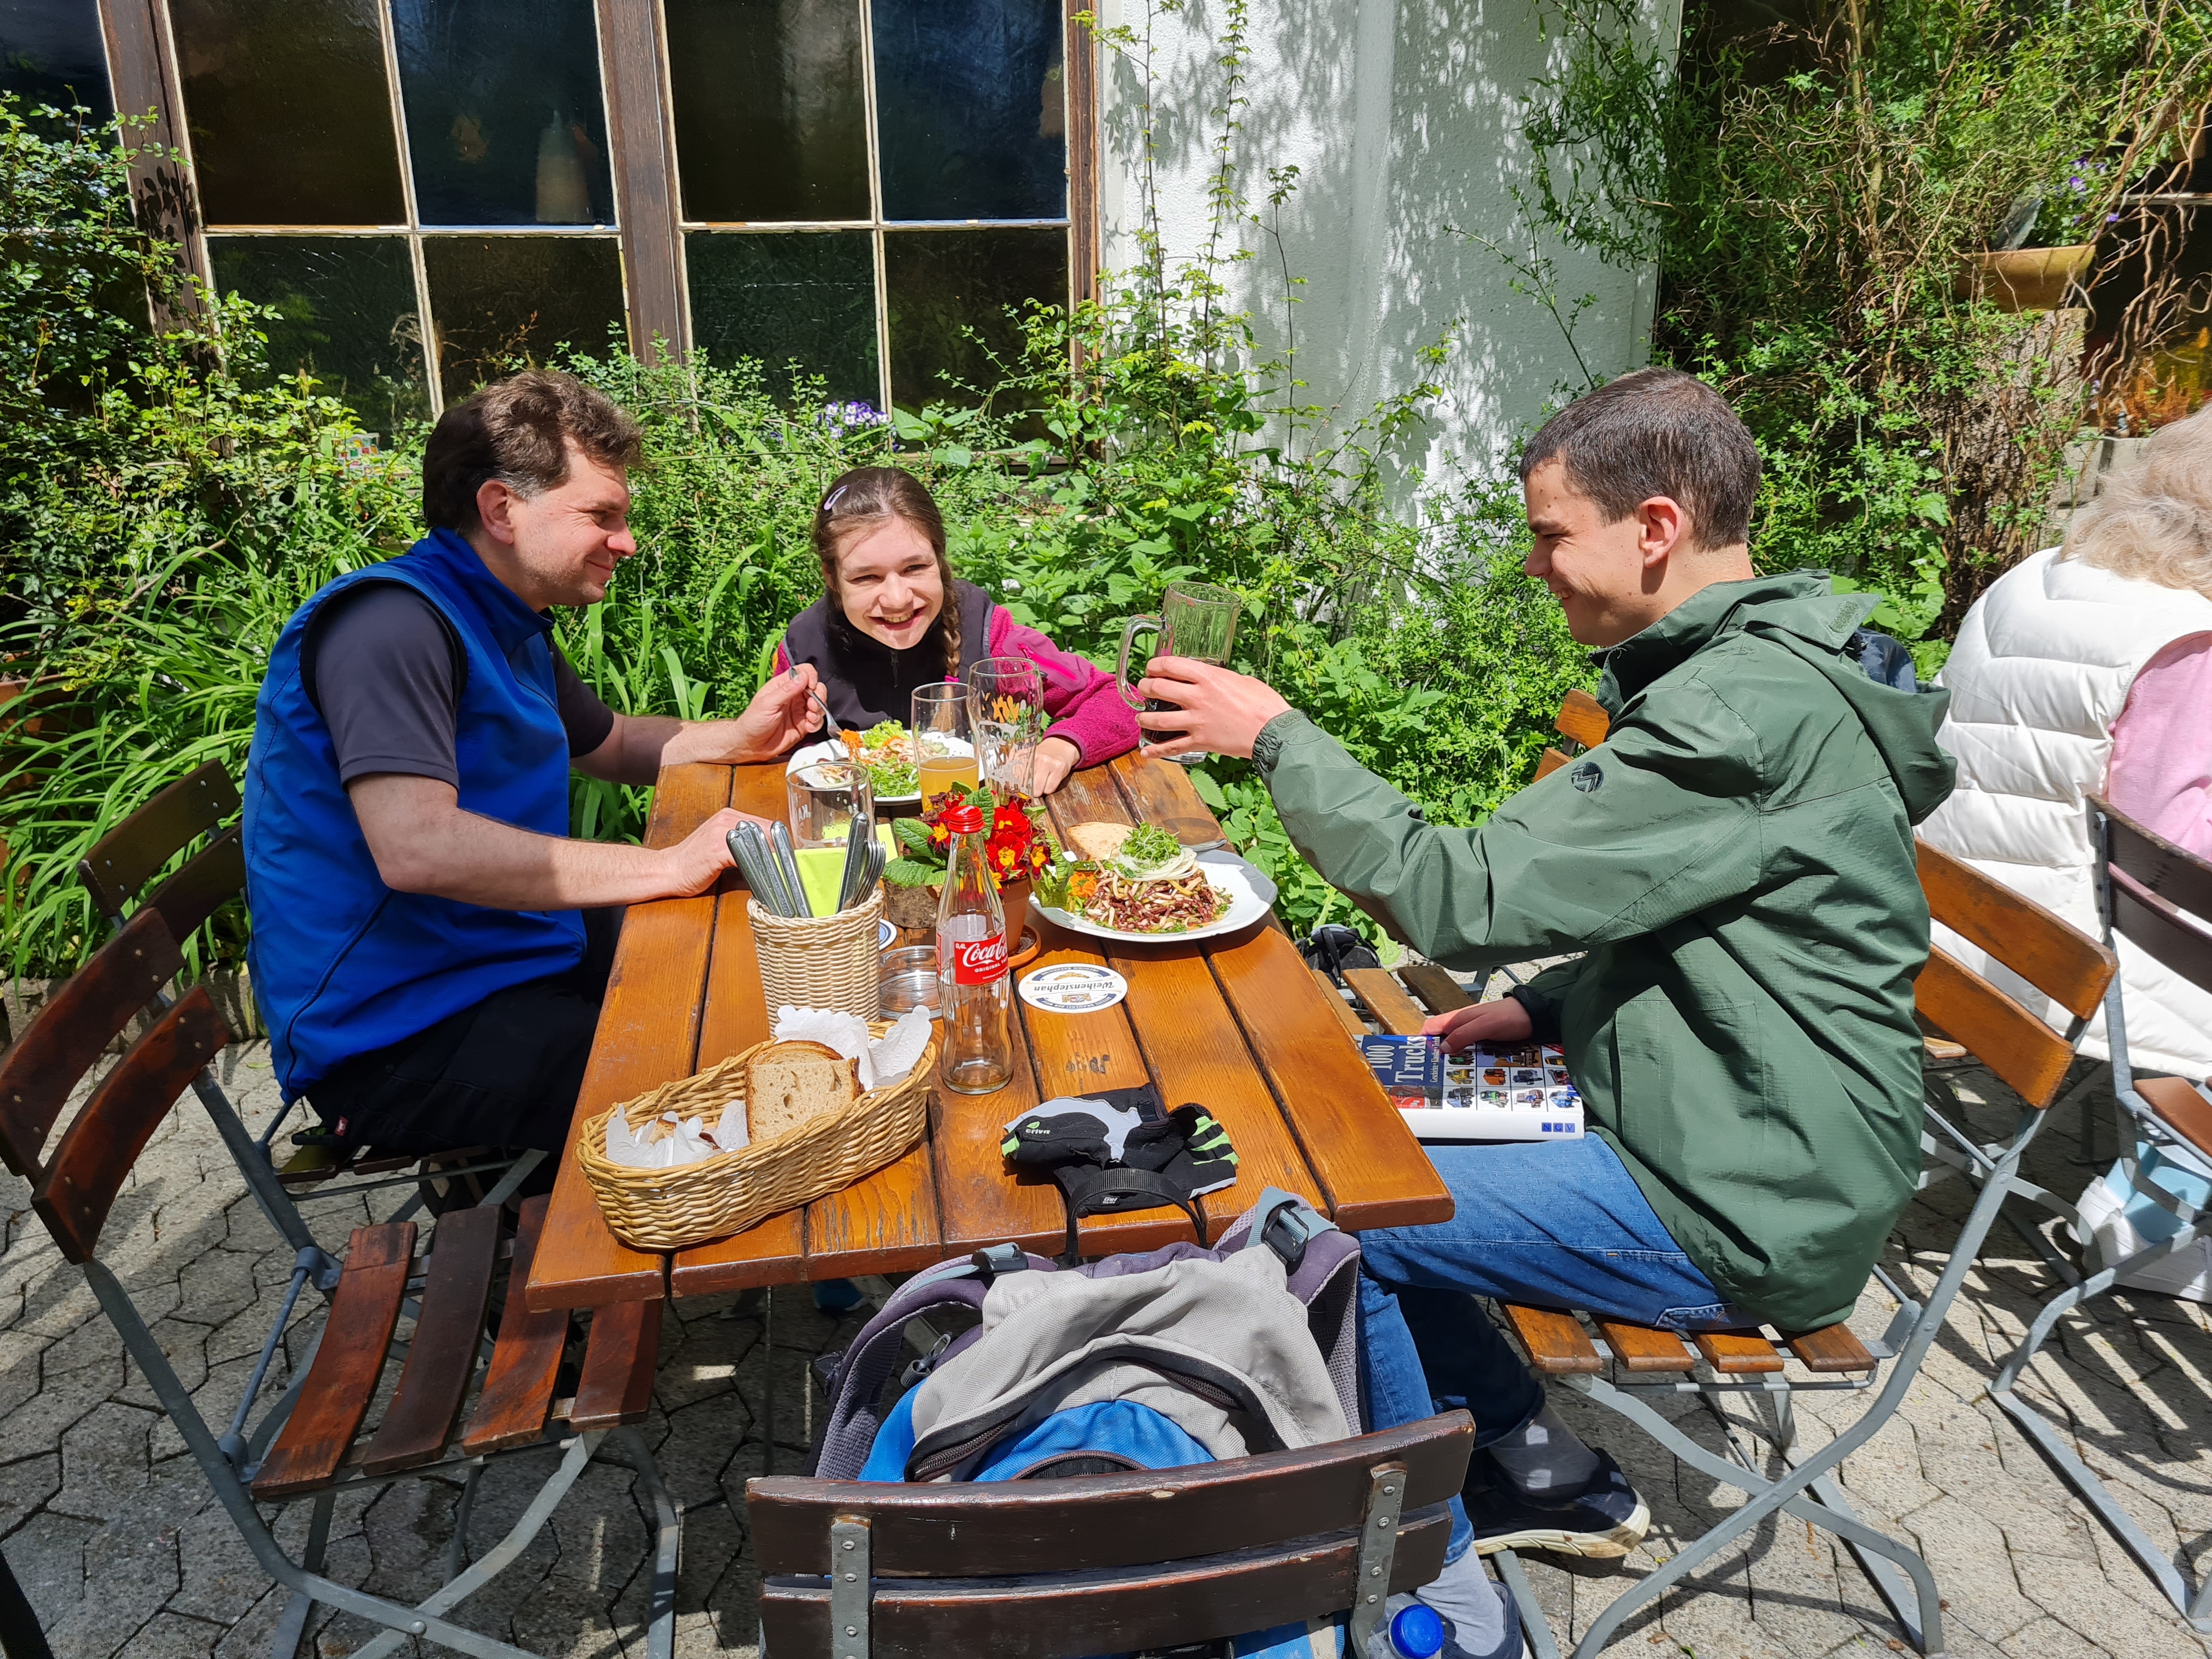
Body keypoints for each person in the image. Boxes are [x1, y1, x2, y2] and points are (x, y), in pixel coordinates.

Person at [1134, 368, 1956, 1659]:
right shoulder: (1750, 673)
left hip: (1743, 1197)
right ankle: (1527, 1456)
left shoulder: (1742, 713)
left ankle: (1429, 1561)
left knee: (1331, 1215)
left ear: (1657, 527)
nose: (1534, 565)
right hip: (1711, 1124)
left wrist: (1278, 735)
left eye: (1551, 533)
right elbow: (1721, 919)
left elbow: (1455, 897)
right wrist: (1550, 1007)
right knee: (1341, 1104)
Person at [244, 370, 820, 1165]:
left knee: (739, 955)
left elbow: (609, 742)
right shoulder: (391, 626)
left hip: (503, 955)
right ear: (500, 509)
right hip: (397, 1032)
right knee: (712, 1073)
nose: (626, 541)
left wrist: (741, 738)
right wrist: (665, 864)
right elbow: (417, 848)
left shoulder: (502, 617)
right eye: (601, 516)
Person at [1917, 406, 2212, 1296]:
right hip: (2076, 968)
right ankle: (2150, 1216)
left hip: (1955, 929)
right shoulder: (2187, 641)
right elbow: (2170, 860)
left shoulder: (2041, 575)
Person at [772, 466, 1139, 794]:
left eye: (915, 568)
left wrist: (1062, 746)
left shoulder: (989, 633)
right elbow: (777, 758)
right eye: (867, 577)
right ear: (832, 578)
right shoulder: (805, 648)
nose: (897, 599)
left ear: (940, 558)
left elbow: (1120, 698)